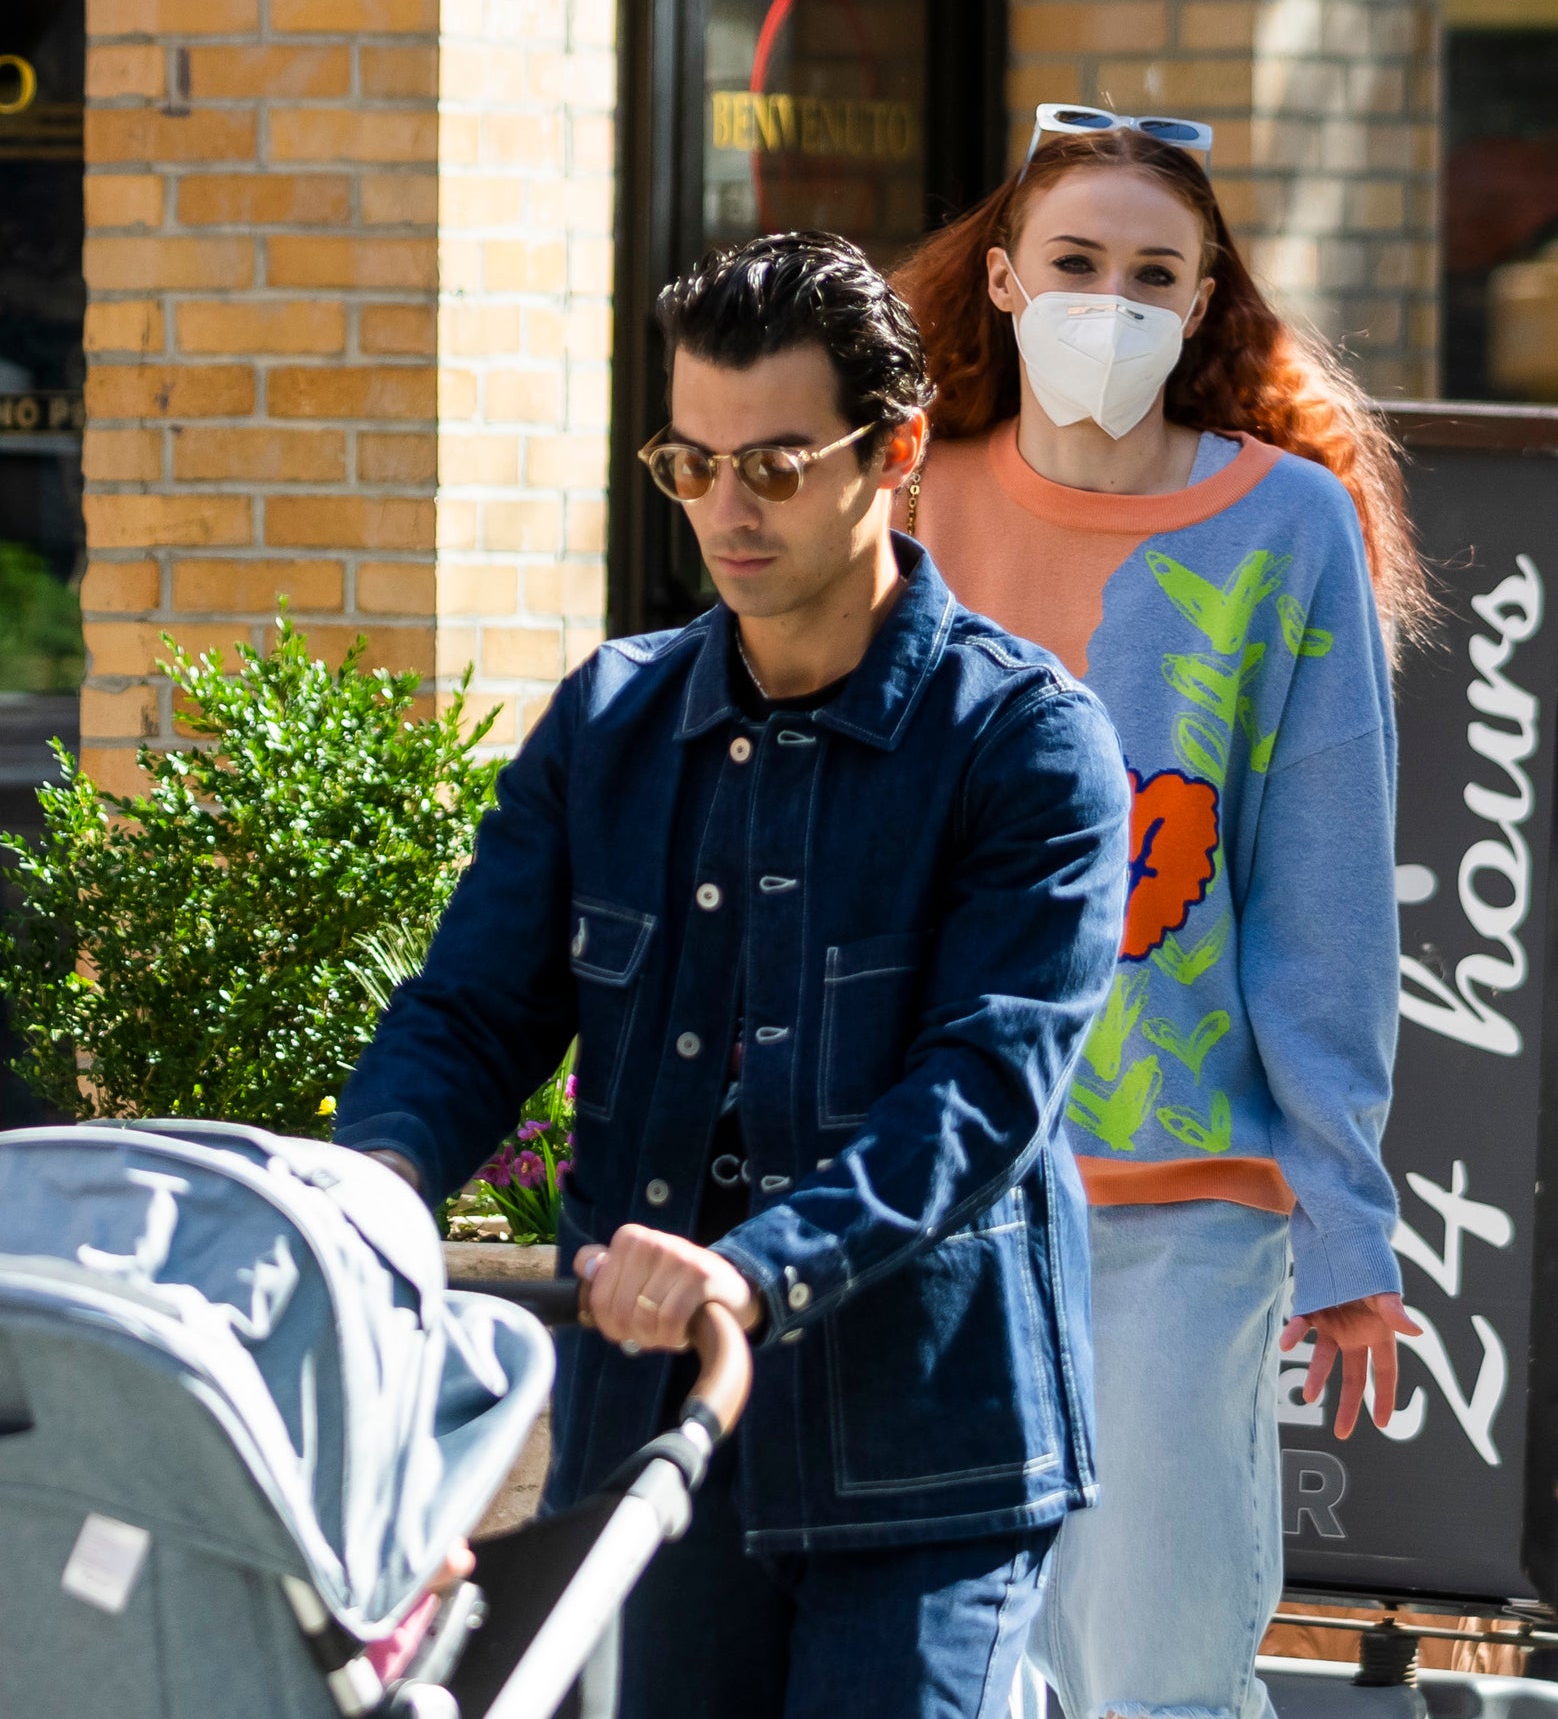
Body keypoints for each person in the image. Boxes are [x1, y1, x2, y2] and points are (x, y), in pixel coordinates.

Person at [333, 230, 1132, 1719]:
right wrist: (366, 1186)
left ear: (893, 450)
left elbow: (983, 1086)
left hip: (923, 1463)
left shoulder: (1024, 742)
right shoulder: (610, 721)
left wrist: (752, 1267)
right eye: (689, 463)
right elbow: (472, 1011)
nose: (723, 507)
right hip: (651, 1452)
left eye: (772, 462)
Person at [892, 108, 1429, 1719]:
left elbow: (1319, 887)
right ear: (999, 278)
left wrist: (1346, 1215)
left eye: (1151, 273)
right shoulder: (911, 506)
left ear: (1201, 305)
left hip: (1187, 1195)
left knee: (1155, 1672)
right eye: (1073, 262)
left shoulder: (1285, 525)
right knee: (953, 1668)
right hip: (936, 1180)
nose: (1108, 301)